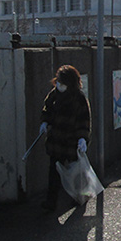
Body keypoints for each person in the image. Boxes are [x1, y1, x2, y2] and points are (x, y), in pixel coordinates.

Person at [39, 65, 91, 212]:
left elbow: (84, 119)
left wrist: (82, 138)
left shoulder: (79, 98)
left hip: (71, 141)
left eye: (62, 83)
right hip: (56, 140)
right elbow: (47, 108)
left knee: (76, 171)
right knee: (54, 171)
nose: (59, 85)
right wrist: (44, 121)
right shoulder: (55, 94)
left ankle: (79, 197)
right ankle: (51, 201)